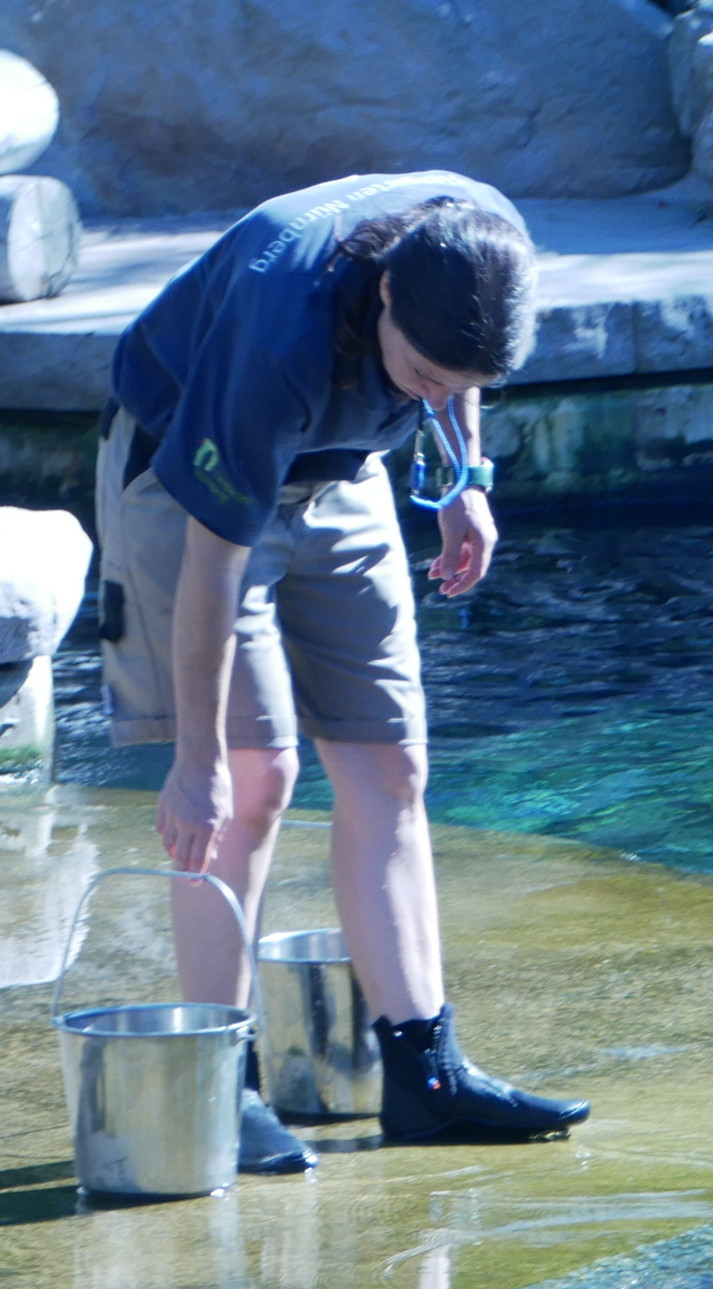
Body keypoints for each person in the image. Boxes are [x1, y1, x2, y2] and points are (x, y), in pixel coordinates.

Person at [96, 171, 588, 1172]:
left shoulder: (477, 240)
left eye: (461, 385)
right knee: (252, 781)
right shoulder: (277, 334)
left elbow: (460, 370)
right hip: (190, 482)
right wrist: (194, 761)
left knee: (391, 769)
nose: (444, 395)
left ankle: (427, 1078)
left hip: (343, 469)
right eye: (426, 375)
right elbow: (212, 567)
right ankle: (218, 1090)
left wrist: (462, 481)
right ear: (387, 300)